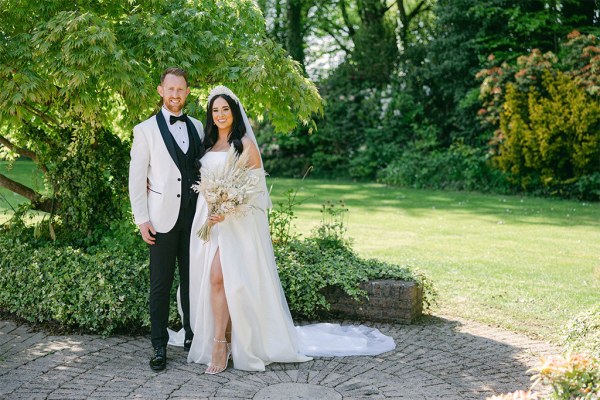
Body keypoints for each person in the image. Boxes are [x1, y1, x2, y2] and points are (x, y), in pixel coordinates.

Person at [169, 86, 395, 374]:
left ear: (234, 112)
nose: (220, 114)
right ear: (210, 115)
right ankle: (222, 339)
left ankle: (220, 343)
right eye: (215, 110)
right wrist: (211, 210)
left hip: (235, 224)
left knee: (226, 279)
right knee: (213, 281)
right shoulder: (207, 145)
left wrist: (228, 207)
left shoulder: (245, 146)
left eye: (225, 109)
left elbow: (257, 190)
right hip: (209, 221)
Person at [128, 67, 204, 371]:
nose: (175, 95)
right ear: (161, 91)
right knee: (160, 284)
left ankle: (191, 335)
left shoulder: (198, 126)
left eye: (180, 90)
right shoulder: (144, 130)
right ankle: (158, 345)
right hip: (160, 219)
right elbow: (136, 180)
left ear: (187, 93)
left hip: (196, 218)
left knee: (192, 281)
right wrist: (142, 218)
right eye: (170, 89)